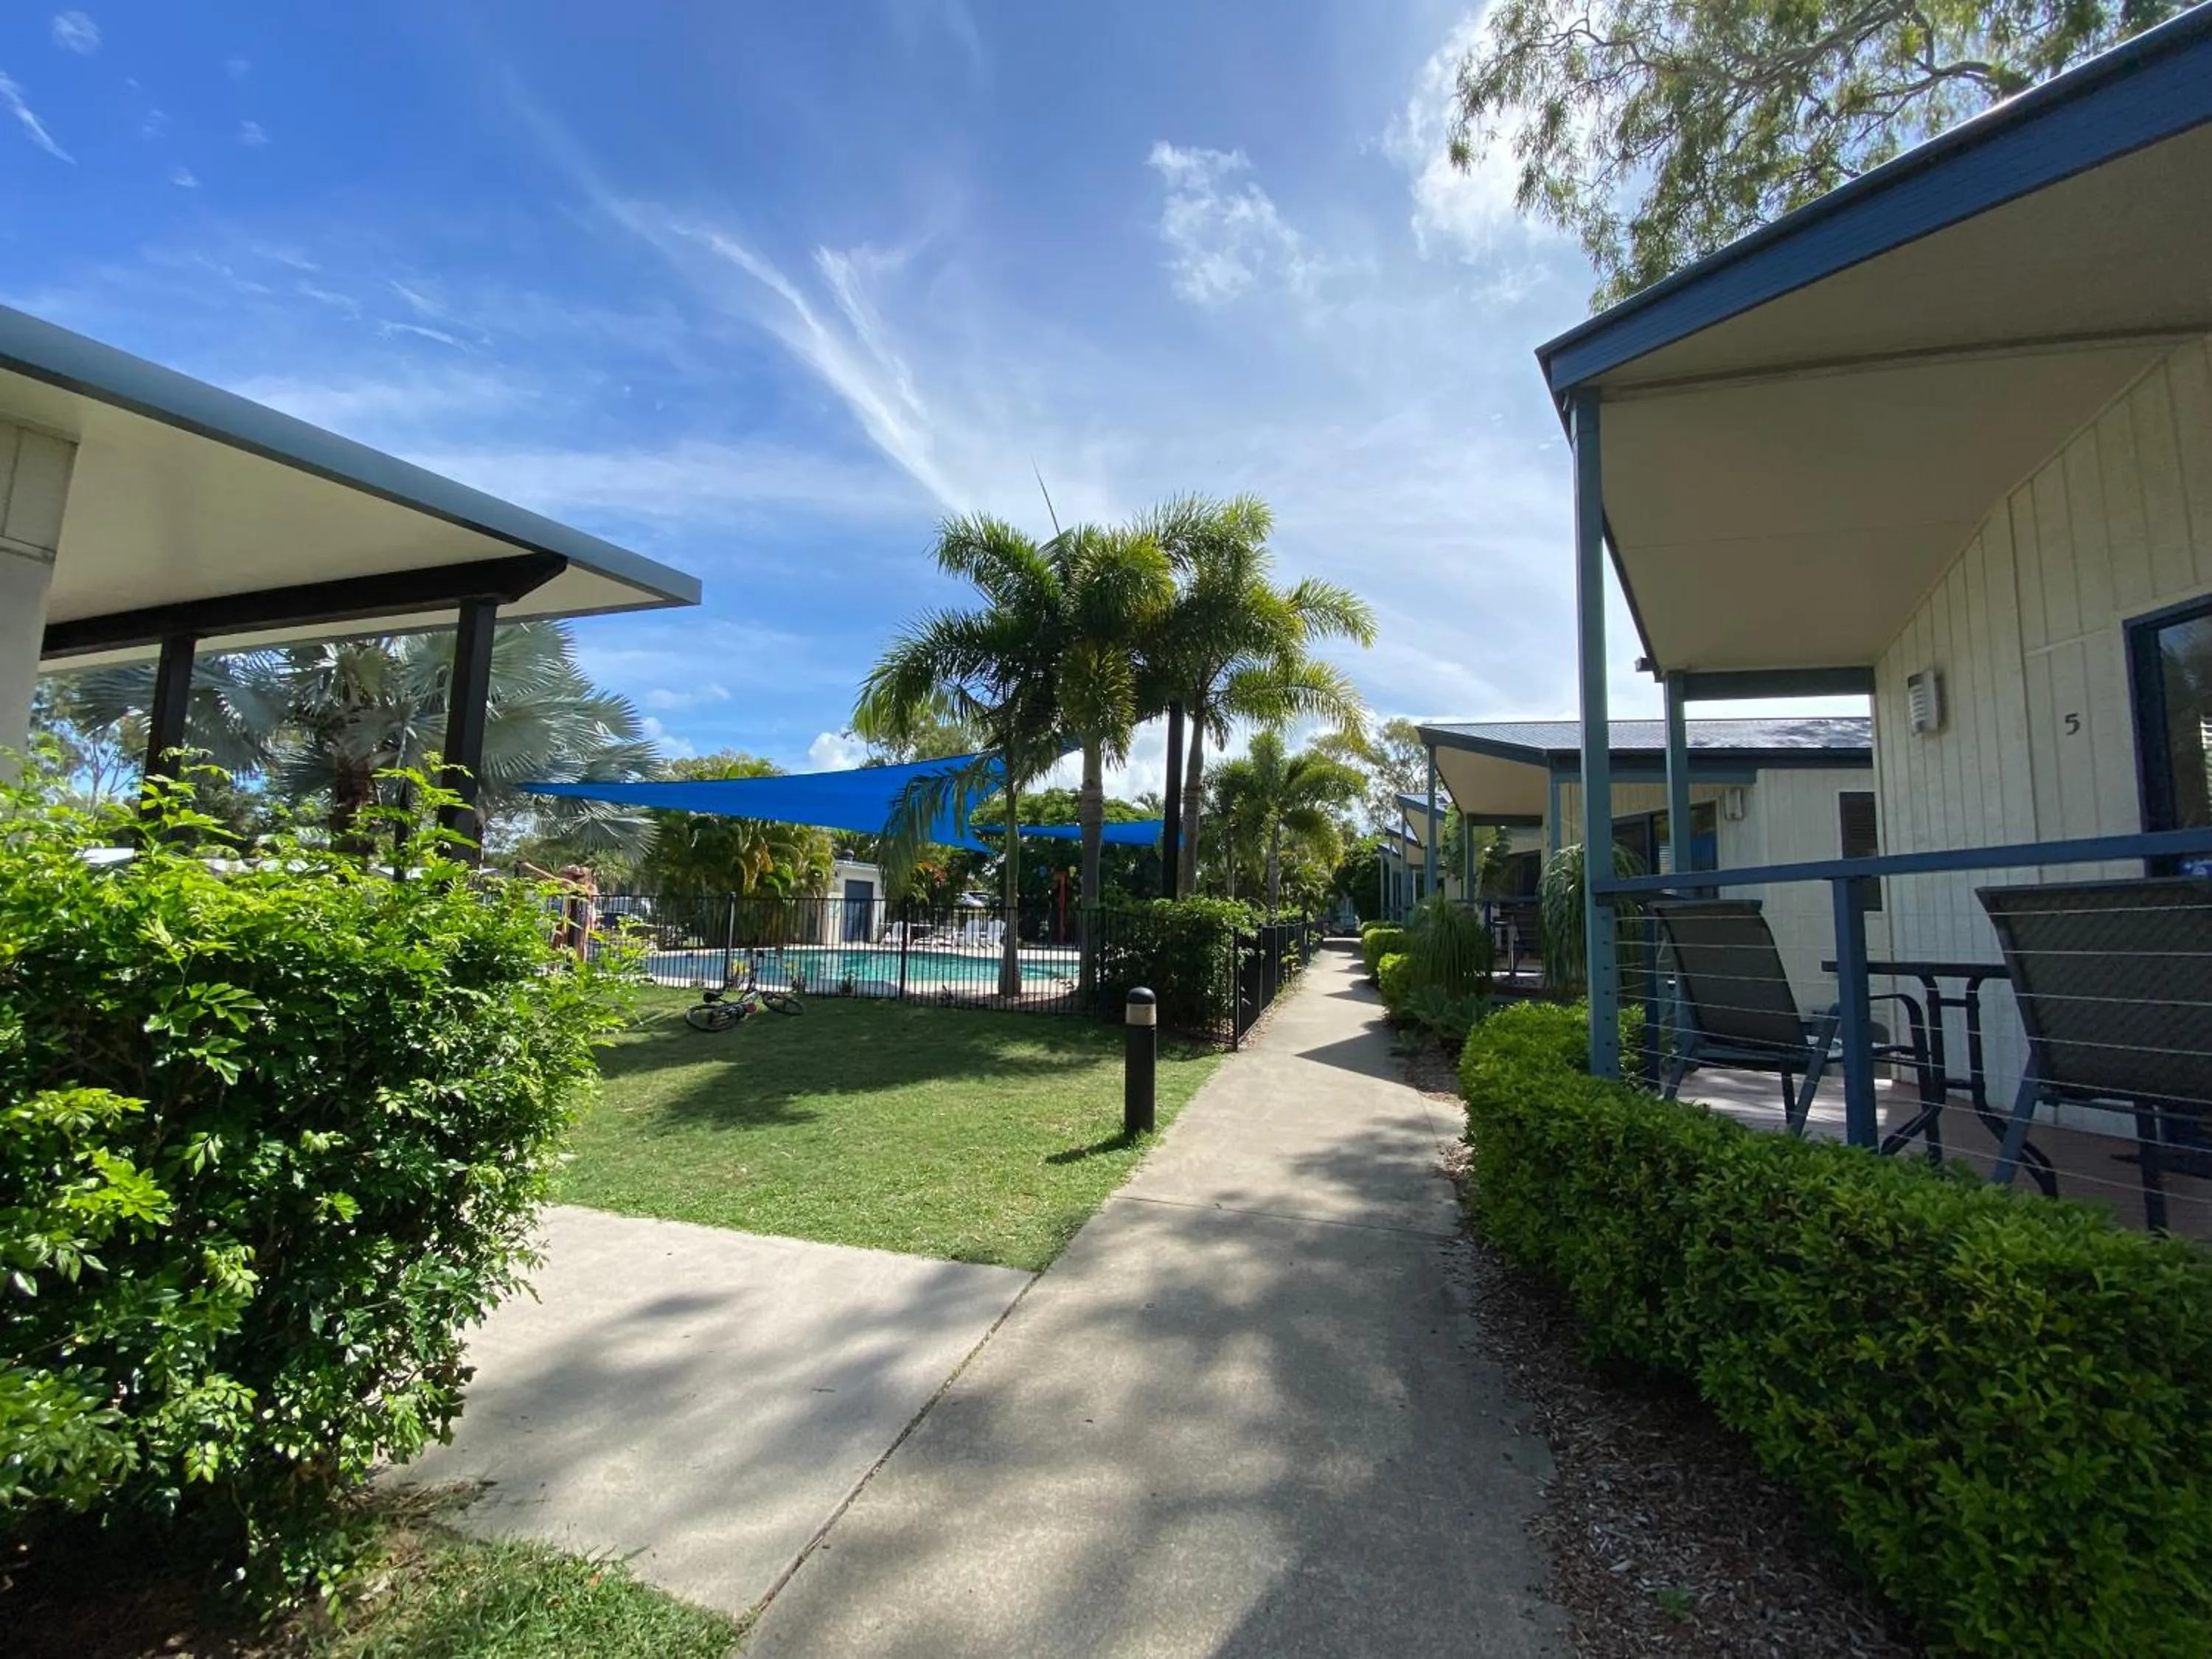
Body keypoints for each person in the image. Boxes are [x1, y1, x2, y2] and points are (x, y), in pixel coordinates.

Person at [521, 860, 599, 961]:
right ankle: (554, 963)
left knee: (581, 941)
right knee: (558, 937)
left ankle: (579, 966)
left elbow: (592, 897)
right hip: (568, 912)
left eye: (581, 875)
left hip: (583, 915)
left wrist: (531, 867)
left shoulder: (589, 887)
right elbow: (553, 879)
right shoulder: (570, 884)